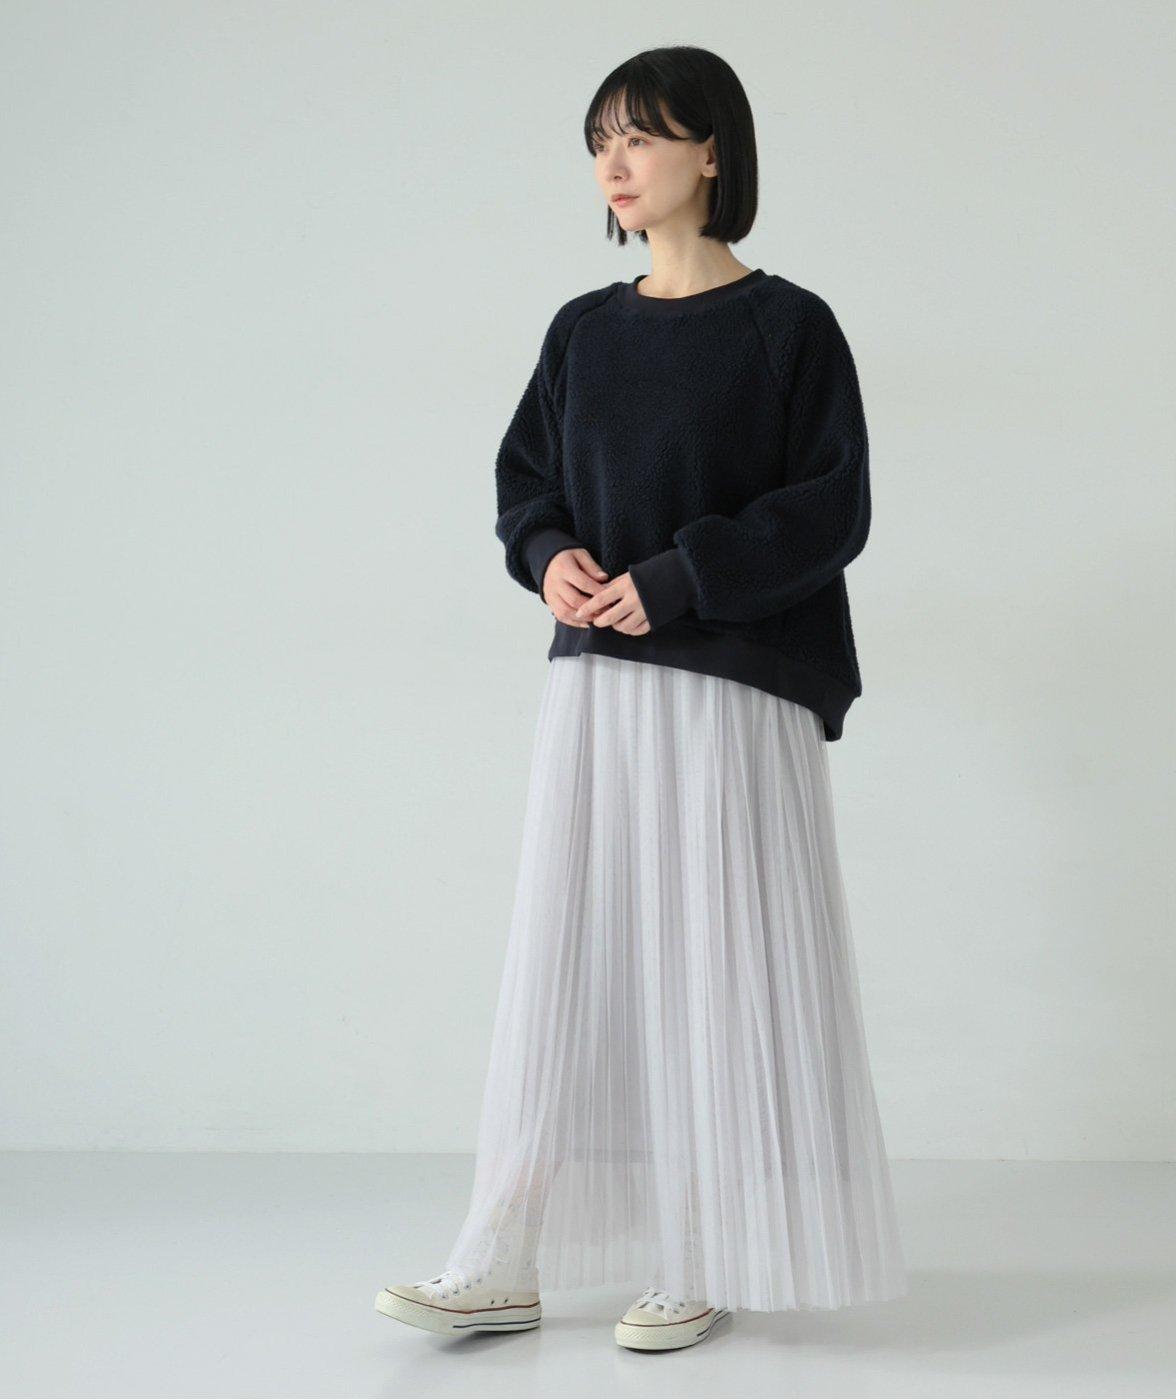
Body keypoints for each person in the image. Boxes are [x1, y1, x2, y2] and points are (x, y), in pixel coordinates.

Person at [375, 43, 908, 1352]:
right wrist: (547, 553)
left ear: (712, 151)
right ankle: (500, 1255)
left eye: (642, 136)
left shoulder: (789, 327)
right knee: (565, 953)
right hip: (599, 687)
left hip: (732, 683)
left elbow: (832, 507)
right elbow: (526, 480)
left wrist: (678, 578)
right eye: (600, 142)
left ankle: (702, 1250)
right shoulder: (583, 330)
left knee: (714, 961)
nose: (615, 164)